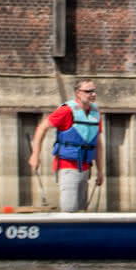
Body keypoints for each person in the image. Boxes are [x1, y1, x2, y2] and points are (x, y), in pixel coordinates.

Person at [27, 78, 103, 212]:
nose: (93, 94)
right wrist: (35, 155)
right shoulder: (66, 111)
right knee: (69, 210)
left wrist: (100, 171)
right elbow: (42, 128)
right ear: (78, 93)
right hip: (68, 166)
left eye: (94, 91)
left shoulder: (95, 113)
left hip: (85, 168)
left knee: (81, 212)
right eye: (88, 91)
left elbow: (98, 143)